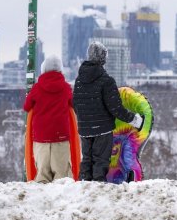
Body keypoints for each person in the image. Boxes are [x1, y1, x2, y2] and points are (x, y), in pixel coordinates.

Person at [73, 41, 144, 181]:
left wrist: (86, 120)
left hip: (85, 128)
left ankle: (84, 188)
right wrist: (135, 120)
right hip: (103, 130)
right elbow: (116, 108)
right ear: (103, 58)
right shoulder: (106, 81)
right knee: (100, 162)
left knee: (87, 160)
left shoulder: (79, 80)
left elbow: (76, 104)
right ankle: (98, 190)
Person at [23, 55, 73, 183]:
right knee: (62, 175)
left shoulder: (36, 88)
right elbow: (74, 105)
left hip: (41, 136)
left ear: (43, 69)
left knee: (42, 174)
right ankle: (62, 201)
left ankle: (42, 200)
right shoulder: (66, 88)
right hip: (61, 135)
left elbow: (27, 106)